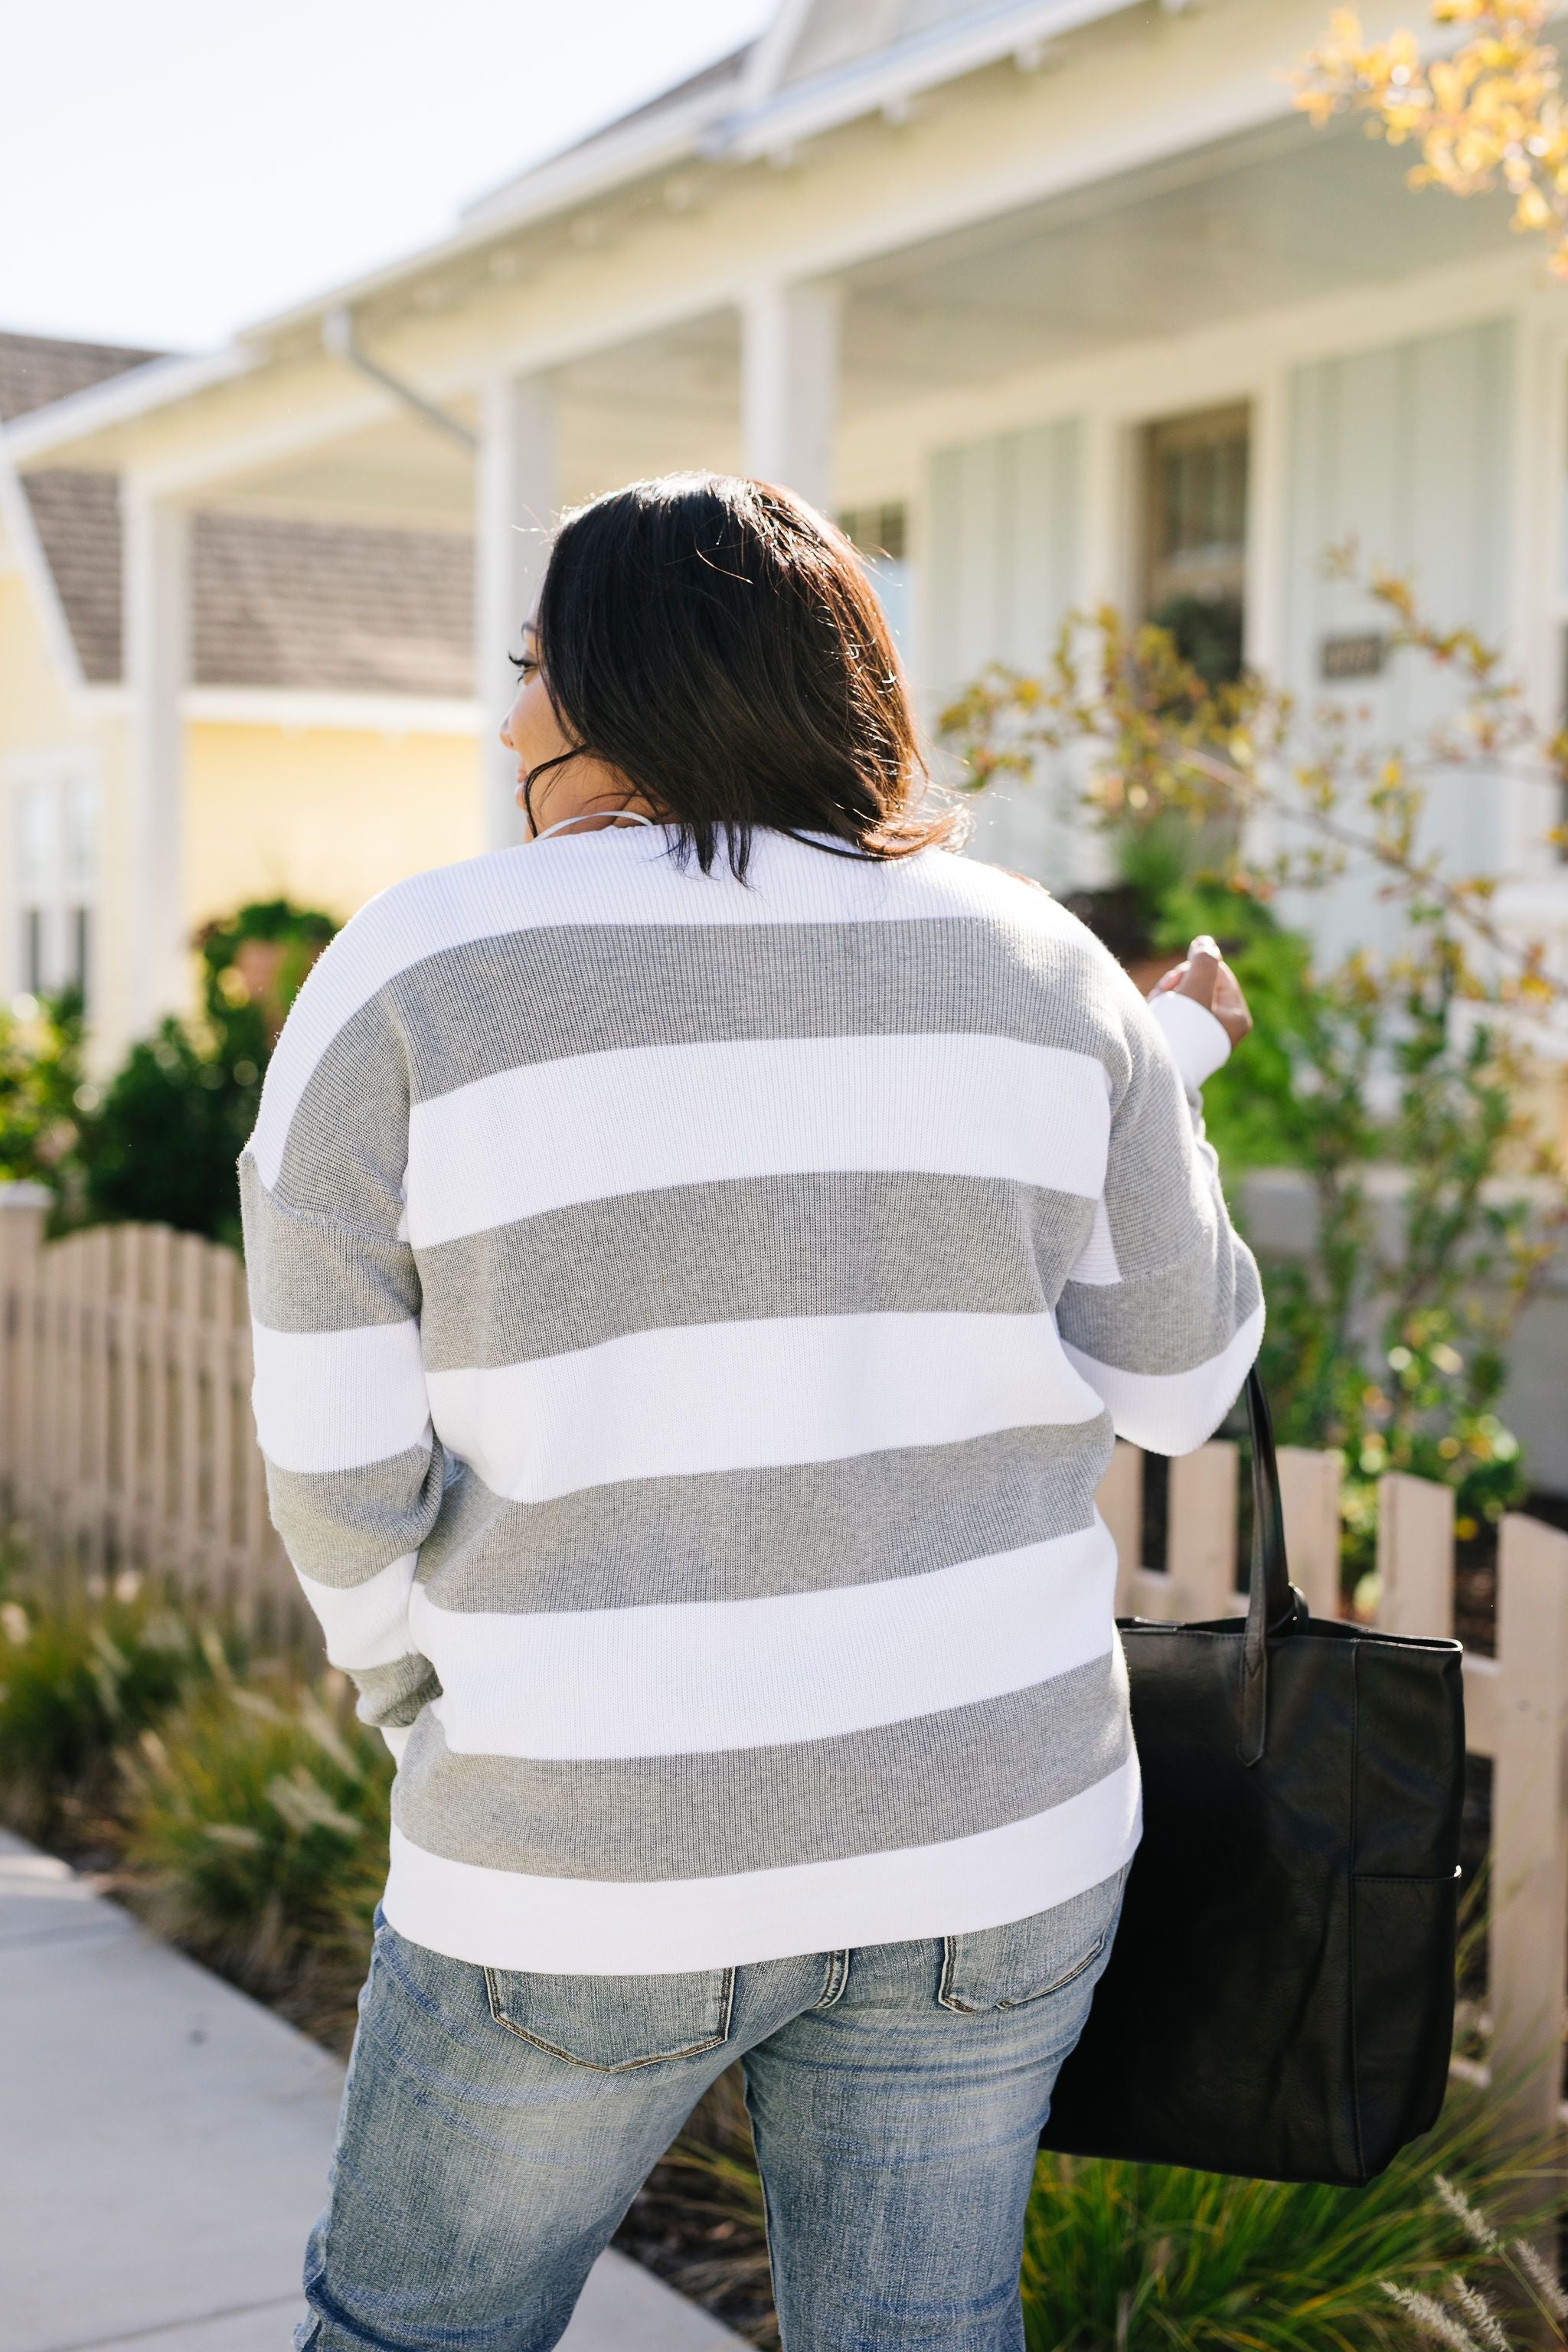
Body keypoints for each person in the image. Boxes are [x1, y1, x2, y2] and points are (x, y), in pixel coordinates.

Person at [240, 472, 1260, 2352]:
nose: (506, 717)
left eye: (536, 666)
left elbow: (335, 1464)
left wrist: (418, 1691)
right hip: (991, 1827)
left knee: (412, 2337)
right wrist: (1164, 1058)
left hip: (581, 1833)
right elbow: (1182, 1382)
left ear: (620, 683)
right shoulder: (1042, 967)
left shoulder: (416, 968)